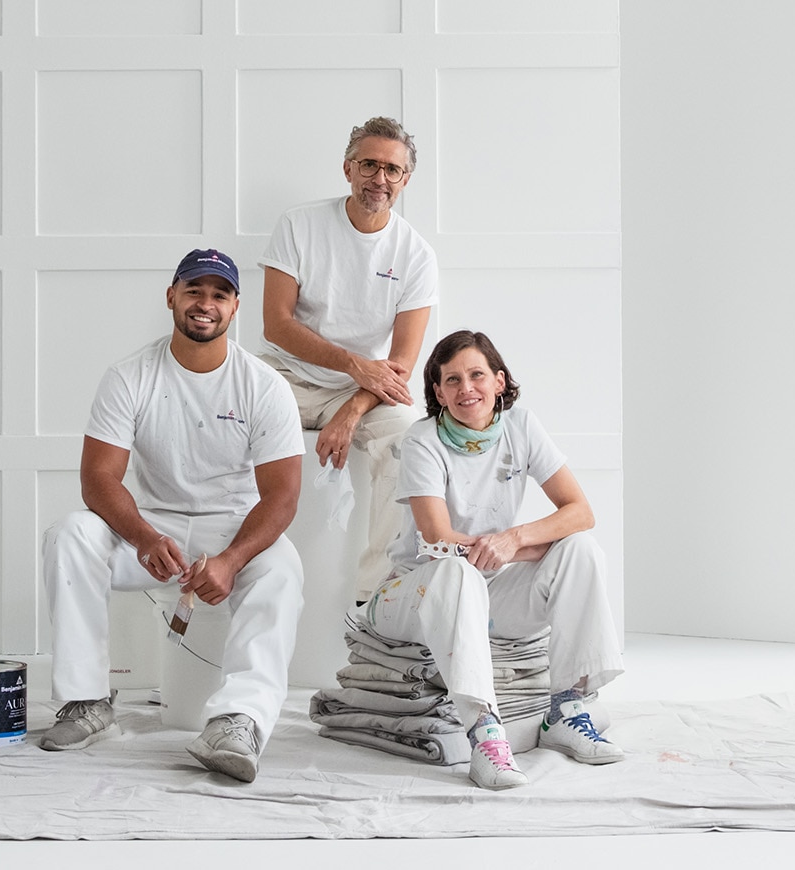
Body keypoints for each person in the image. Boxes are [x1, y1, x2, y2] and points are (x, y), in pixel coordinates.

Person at [40, 248, 306, 783]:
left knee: (283, 566)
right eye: (194, 291)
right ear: (171, 297)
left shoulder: (263, 385)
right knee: (69, 534)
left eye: (219, 294)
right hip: (152, 527)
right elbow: (98, 479)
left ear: (235, 307)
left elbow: (281, 496)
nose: (205, 303)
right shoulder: (129, 375)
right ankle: (86, 702)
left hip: (229, 528)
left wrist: (231, 559)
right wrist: (141, 536)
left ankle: (239, 720)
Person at [366, 329, 624, 790]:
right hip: (414, 594)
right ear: (438, 393)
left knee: (581, 550)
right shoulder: (422, 441)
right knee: (455, 570)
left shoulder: (522, 427)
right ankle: (485, 735)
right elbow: (439, 539)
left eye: (477, 375)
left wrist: (515, 539)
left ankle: (565, 707)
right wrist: (507, 547)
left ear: (500, 381)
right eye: (451, 380)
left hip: (487, 588)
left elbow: (580, 513)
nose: (467, 388)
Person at [258, 116, 438, 600]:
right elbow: (276, 323)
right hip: (286, 375)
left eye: (392, 170)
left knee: (408, 439)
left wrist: (352, 408)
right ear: (347, 168)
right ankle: (222, 561)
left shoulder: (416, 254)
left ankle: (376, 594)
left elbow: (400, 364)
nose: (380, 179)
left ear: (405, 180)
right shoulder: (300, 224)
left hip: (363, 391)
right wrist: (355, 363)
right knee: (221, 421)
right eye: (369, 165)